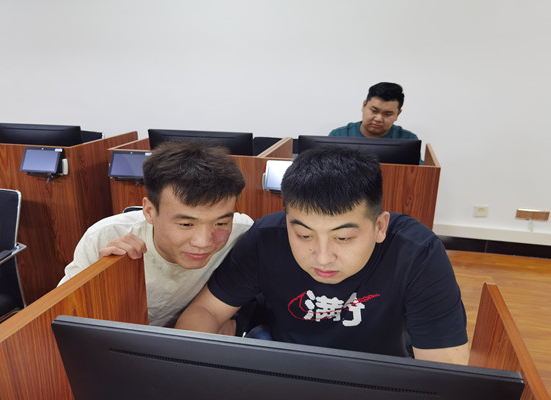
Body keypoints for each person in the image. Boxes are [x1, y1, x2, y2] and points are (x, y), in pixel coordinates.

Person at [176, 146, 469, 365]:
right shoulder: (266, 238)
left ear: (379, 227)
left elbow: (444, 369)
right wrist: (187, 370)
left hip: (380, 371)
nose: (323, 258)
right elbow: (207, 311)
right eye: (304, 236)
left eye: (343, 238)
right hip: (286, 364)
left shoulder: (416, 253)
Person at [58, 141, 253, 328]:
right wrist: (99, 280)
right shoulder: (104, 236)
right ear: (149, 211)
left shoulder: (243, 233)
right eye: (186, 224)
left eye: (221, 223)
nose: (203, 242)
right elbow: (61, 316)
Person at [329, 82, 418, 139]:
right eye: (374, 111)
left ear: (398, 114)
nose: (378, 119)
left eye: (387, 114)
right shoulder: (338, 136)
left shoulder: (408, 139)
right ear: (364, 105)